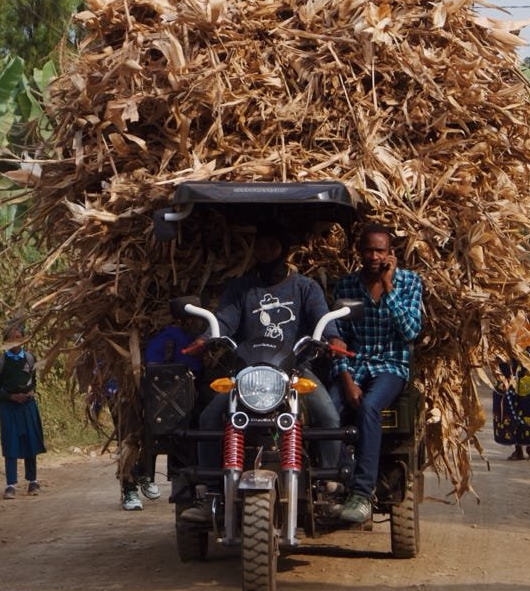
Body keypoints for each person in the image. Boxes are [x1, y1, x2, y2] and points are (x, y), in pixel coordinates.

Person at [177, 227, 343, 524]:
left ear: (284, 249)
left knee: (328, 416)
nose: (265, 253)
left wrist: (333, 337)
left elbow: (321, 316)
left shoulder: (305, 287)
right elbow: (225, 321)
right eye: (260, 248)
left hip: (294, 372)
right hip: (248, 375)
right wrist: (207, 336)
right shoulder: (241, 288)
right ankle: (211, 493)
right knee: (209, 419)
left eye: (271, 246)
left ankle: (328, 486)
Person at [330, 224, 424, 528]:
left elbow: (410, 331)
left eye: (380, 251)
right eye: (368, 250)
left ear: (390, 254)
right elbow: (337, 341)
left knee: (371, 406)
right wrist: (346, 381)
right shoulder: (346, 287)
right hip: (354, 366)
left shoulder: (409, 282)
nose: (374, 255)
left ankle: (362, 492)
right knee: (326, 412)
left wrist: (387, 286)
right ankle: (334, 479)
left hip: (391, 366)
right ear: (359, 252)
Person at [120, 320, 200, 512]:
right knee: (133, 432)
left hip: (172, 397)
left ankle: (144, 474)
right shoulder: (172, 336)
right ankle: (130, 484)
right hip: (137, 387)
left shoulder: (198, 330)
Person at [0, 320, 45, 498]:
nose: (16, 341)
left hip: (27, 407)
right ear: (6, 340)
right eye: (12, 338)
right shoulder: (1, 362)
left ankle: (33, 482)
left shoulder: (30, 358)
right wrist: (11, 397)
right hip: (9, 408)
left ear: (24, 340)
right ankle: (11, 485)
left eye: (19, 337)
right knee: (11, 444)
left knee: (31, 442)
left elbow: (33, 381)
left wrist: (30, 393)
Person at [493, 357, 530, 461]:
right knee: (511, 412)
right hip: (508, 375)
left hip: (526, 374)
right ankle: (518, 449)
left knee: (528, 411)